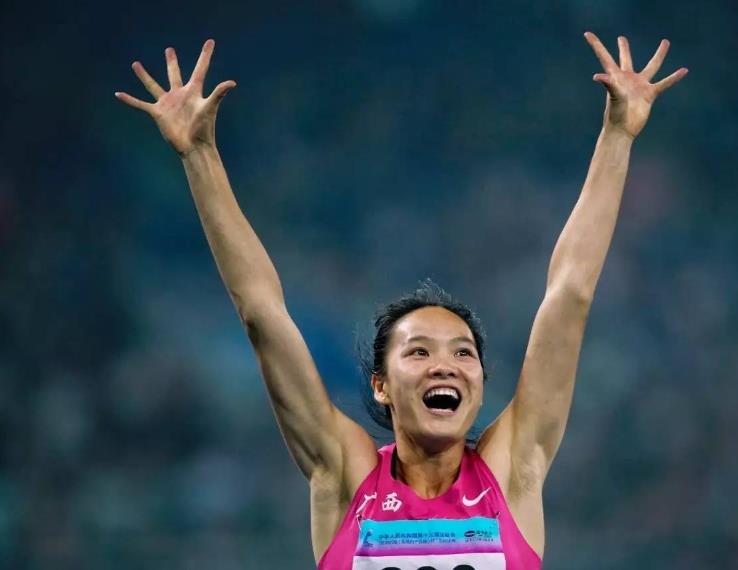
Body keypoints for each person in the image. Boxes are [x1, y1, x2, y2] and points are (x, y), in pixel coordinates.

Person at [116, 32, 687, 569]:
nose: (445, 364)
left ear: (481, 380)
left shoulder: (512, 474)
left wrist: (618, 136)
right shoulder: (346, 476)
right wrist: (199, 156)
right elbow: (262, 315)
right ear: (380, 385)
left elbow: (570, 294)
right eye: (418, 351)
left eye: (463, 352)